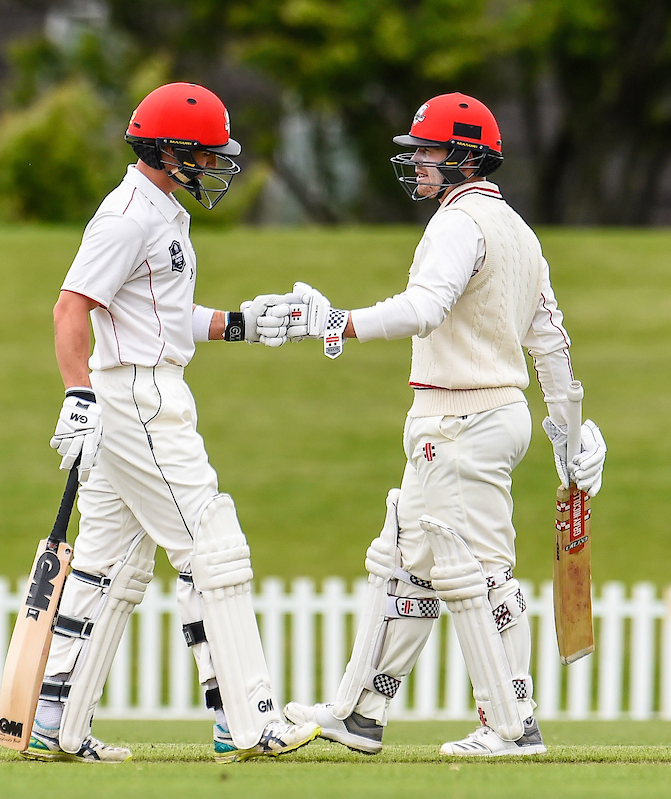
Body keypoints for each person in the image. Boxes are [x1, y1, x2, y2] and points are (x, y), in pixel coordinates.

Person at [274, 93, 607, 757]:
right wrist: (570, 431)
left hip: (462, 418)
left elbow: (425, 308)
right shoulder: (518, 232)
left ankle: (512, 723)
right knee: (408, 565)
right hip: (482, 416)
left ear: (465, 157)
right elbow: (551, 341)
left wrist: (341, 321)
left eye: (429, 151)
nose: (419, 163)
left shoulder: (458, 226)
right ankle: (361, 710)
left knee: (475, 572)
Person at [30, 82, 319, 763]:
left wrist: (243, 324)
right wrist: (78, 396)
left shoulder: (159, 213)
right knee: (212, 543)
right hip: (138, 399)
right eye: (204, 153)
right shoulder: (130, 216)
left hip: (139, 388)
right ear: (167, 151)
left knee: (110, 565)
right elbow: (71, 309)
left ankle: (55, 720)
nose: (214, 165)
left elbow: (158, 315)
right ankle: (248, 720)